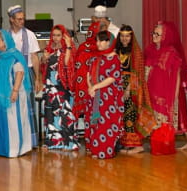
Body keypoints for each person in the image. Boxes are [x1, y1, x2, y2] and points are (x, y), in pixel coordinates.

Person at [144, 21, 187, 151]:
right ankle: (156, 143)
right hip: (152, 90)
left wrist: (174, 96)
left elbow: (176, 75)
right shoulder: (150, 50)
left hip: (166, 92)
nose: (154, 36)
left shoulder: (171, 52)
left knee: (167, 119)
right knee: (154, 119)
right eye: (153, 33)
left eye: (158, 34)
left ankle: (163, 144)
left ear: (165, 36)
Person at [0, 29, 32, 158]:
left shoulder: (14, 55)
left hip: (14, 95)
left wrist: (15, 91)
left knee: (14, 123)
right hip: (1, 96)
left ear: (5, 41)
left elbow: (20, 72)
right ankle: (5, 149)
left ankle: (15, 150)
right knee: (3, 123)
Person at [85, 30, 124, 159]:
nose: (98, 43)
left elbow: (113, 78)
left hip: (108, 98)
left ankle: (105, 151)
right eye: (97, 40)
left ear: (109, 42)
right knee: (95, 123)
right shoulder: (95, 57)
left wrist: (95, 87)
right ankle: (96, 150)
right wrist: (91, 87)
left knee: (105, 124)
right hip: (94, 96)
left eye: (102, 40)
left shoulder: (115, 58)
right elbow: (88, 74)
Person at [40, 24, 79, 151]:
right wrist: (44, 59)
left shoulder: (69, 48)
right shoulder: (49, 48)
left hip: (63, 86)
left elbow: (68, 64)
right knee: (51, 114)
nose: (56, 38)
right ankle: (53, 143)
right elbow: (44, 66)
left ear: (64, 36)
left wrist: (67, 46)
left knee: (65, 114)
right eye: (54, 35)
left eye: (58, 35)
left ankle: (68, 143)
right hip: (51, 86)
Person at [7, 5, 41, 145]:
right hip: (10, 75)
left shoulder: (30, 35)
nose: (22, 21)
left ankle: (30, 141)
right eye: (19, 19)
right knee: (12, 108)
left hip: (26, 74)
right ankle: (15, 141)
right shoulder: (6, 36)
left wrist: (38, 78)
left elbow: (34, 57)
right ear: (11, 20)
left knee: (28, 107)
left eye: (23, 19)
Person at [115, 25, 148, 154]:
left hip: (132, 87)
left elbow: (137, 73)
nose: (124, 38)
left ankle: (136, 144)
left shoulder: (136, 52)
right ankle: (124, 143)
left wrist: (128, 88)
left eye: (127, 36)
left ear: (131, 37)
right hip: (117, 85)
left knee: (130, 114)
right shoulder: (116, 51)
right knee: (121, 115)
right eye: (122, 36)